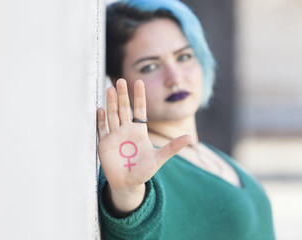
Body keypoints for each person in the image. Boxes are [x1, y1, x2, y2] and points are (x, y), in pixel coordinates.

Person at [96, 0, 275, 239]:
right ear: (118, 80)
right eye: (150, 67)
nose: (175, 78)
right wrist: (128, 192)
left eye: (184, 57)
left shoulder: (213, 156)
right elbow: (133, 219)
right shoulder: (137, 164)